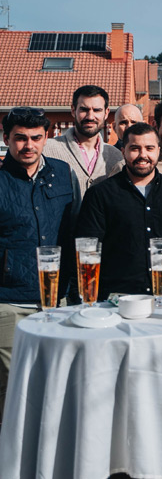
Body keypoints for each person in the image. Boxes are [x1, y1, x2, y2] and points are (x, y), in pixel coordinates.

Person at [0, 107, 76, 419]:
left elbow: (72, 230)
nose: (28, 145)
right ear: (6, 139)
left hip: (55, 299)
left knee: (55, 381)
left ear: (47, 138)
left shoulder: (60, 173)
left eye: (35, 137)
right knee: (11, 387)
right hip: (8, 301)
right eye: (20, 138)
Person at [76, 123, 162, 297]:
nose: (143, 155)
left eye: (149, 148)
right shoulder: (100, 194)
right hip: (115, 300)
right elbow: (87, 249)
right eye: (134, 148)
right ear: (123, 151)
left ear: (158, 150)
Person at [43, 85, 124, 208]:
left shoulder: (116, 156)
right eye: (84, 110)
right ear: (73, 110)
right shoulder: (47, 150)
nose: (90, 116)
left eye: (97, 110)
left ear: (106, 113)